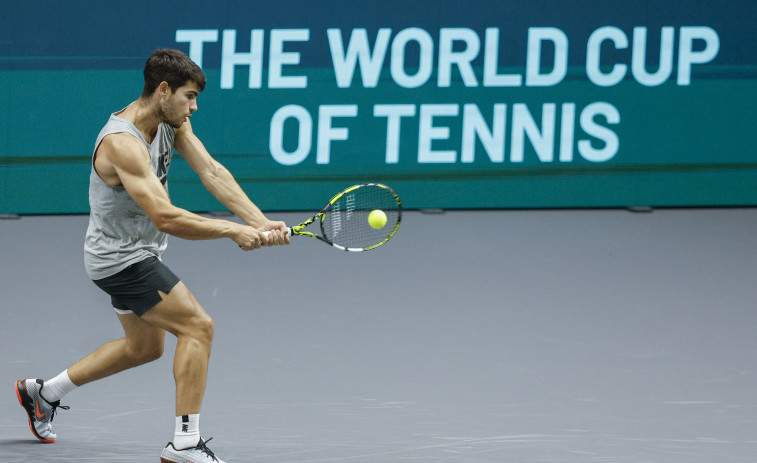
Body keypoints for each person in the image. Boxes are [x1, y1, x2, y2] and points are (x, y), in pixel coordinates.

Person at [14, 48, 289, 463]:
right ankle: (184, 444)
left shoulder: (170, 120)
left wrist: (261, 222)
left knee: (144, 348)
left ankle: (44, 392)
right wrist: (235, 231)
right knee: (198, 327)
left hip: (135, 252)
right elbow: (164, 216)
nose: (193, 107)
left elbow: (211, 171)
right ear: (164, 90)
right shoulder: (122, 143)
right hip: (121, 260)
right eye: (189, 96)